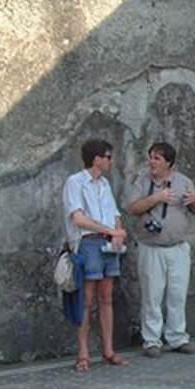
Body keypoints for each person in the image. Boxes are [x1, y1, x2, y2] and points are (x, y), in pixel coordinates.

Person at [126, 142, 195, 358]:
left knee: (177, 295)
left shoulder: (183, 182)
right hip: (151, 247)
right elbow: (132, 208)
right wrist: (156, 198)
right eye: (151, 157)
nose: (151, 162)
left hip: (178, 248)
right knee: (152, 296)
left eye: (157, 158)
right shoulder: (142, 181)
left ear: (169, 162)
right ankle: (152, 341)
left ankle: (178, 338)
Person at [62, 139, 128, 374]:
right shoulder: (75, 182)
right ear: (97, 158)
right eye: (108, 157)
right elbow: (78, 218)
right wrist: (111, 231)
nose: (110, 161)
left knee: (106, 297)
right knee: (86, 300)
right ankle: (83, 353)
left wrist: (117, 232)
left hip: (108, 243)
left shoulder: (104, 184)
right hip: (88, 242)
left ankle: (108, 350)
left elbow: (115, 213)